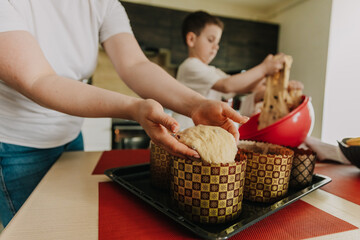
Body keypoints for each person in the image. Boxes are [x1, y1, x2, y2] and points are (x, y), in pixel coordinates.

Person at [0, 1, 249, 227]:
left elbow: (135, 65)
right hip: (16, 146)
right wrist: (134, 108)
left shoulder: (103, 4)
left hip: (70, 135)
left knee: (68, 223)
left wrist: (195, 104)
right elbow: (37, 80)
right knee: (37, 229)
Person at [172, 11, 303, 129]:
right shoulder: (190, 66)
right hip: (185, 130)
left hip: (199, 131)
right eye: (210, 40)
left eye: (217, 43)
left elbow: (243, 87)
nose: (215, 47)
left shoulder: (214, 71)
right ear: (191, 39)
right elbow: (228, 86)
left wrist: (277, 83)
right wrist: (264, 68)